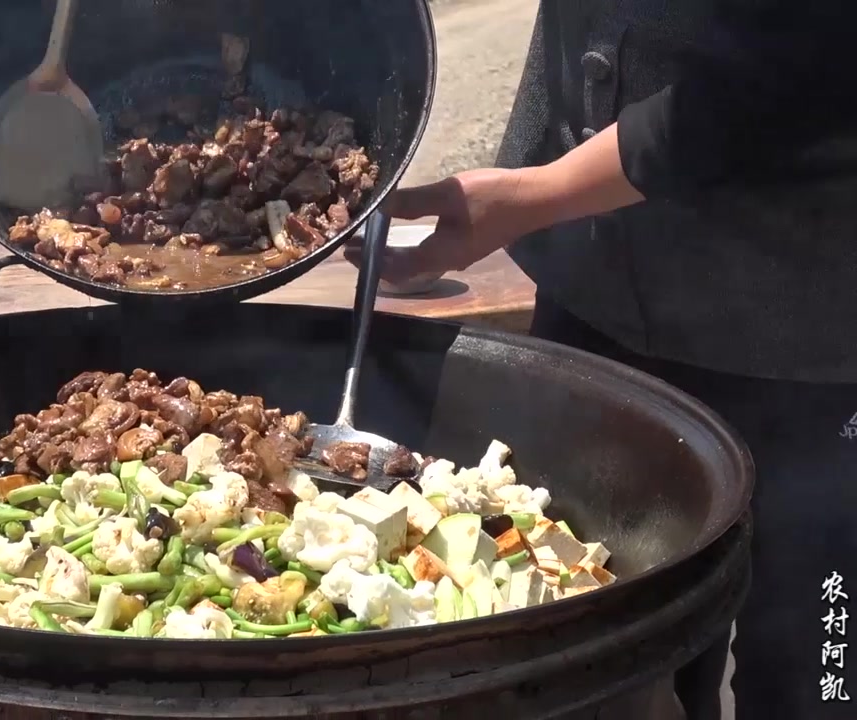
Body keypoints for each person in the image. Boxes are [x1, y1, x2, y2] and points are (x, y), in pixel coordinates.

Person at [352, 1, 857, 718]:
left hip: (805, 334)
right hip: (598, 297)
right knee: (612, 656)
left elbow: (793, 74)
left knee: (816, 665)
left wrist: (537, 195)